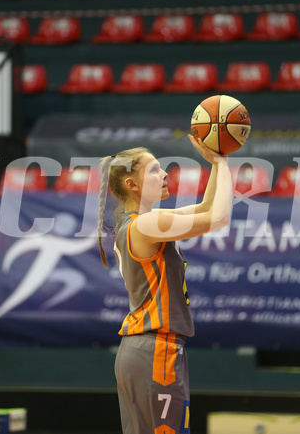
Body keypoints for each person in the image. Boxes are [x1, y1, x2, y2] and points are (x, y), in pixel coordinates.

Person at [96, 136, 233, 434]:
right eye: (155, 170)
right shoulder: (146, 224)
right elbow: (219, 217)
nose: (166, 174)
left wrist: (217, 163)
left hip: (147, 348)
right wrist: (223, 162)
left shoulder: (141, 222)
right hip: (154, 348)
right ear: (133, 185)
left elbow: (208, 206)